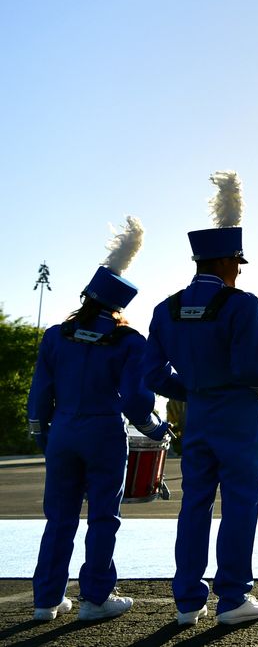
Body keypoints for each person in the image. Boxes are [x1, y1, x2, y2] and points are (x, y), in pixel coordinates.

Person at [142, 173, 258, 626]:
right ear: (227, 261)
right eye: (237, 262)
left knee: (195, 505)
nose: (240, 270)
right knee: (240, 504)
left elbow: (151, 374)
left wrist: (191, 389)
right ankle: (232, 599)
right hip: (237, 417)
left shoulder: (165, 309)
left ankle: (187, 601)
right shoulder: (242, 304)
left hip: (198, 416)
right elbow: (250, 370)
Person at [27, 221, 168, 622]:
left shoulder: (56, 335)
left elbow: (39, 397)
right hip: (103, 434)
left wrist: (44, 437)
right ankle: (95, 598)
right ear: (118, 306)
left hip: (63, 434)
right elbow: (137, 401)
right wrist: (157, 428)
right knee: (103, 517)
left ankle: (46, 600)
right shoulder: (128, 341)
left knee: (59, 518)